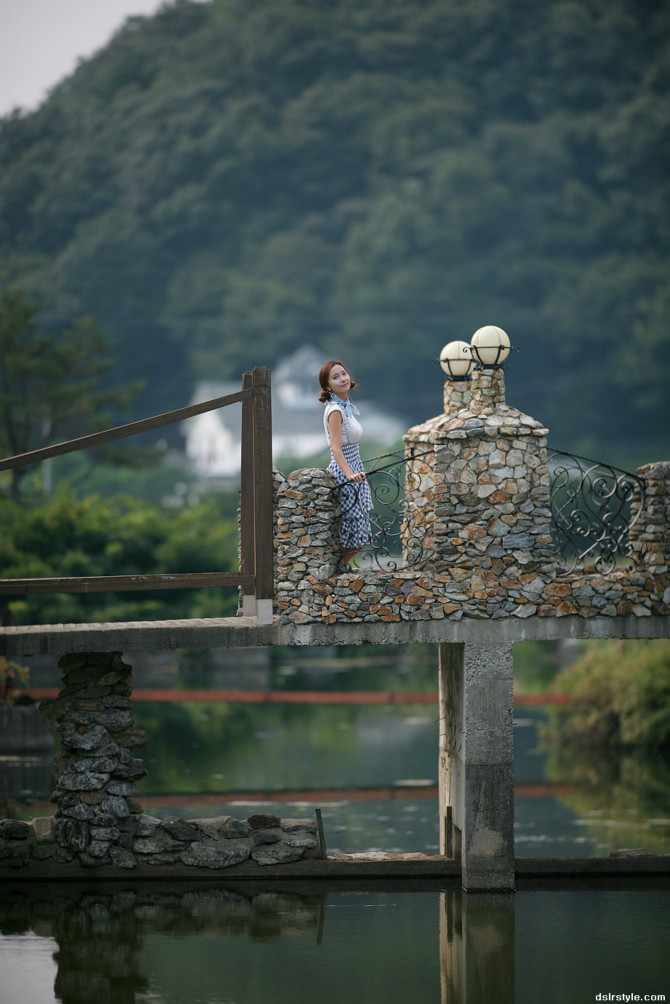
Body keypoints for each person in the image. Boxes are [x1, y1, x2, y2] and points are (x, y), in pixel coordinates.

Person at [319, 360, 373, 566]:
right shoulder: (335, 410)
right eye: (335, 377)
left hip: (355, 468)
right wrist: (350, 474)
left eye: (343, 374)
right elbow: (336, 448)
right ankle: (335, 569)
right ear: (327, 386)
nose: (342, 379)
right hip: (345, 472)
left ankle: (338, 568)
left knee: (358, 532)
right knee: (357, 533)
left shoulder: (345, 407)